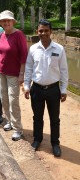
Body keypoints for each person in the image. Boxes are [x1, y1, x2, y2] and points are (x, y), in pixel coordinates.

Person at [24, 19, 68, 157]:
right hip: (36, 89)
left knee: (55, 118)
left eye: (46, 30)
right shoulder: (33, 49)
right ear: (37, 32)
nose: (43, 33)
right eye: (40, 30)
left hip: (53, 89)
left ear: (51, 32)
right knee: (37, 117)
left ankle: (55, 143)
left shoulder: (59, 49)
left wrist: (64, 89)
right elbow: (28, 68)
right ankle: (37, 140)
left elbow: (64, 71)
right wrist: (26, 86)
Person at [0, 10, 28, 141]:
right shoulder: (1, 35)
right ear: (1, 23)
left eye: (8, 20)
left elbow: (24, 55)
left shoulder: (19, 35)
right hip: (1, 72)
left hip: (13, 74)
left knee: (13, 100)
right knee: (4, 98)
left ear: (12, 21)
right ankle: (9, 121)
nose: (6, 22)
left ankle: (17, 129)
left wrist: (22, 74)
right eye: (3, 21)